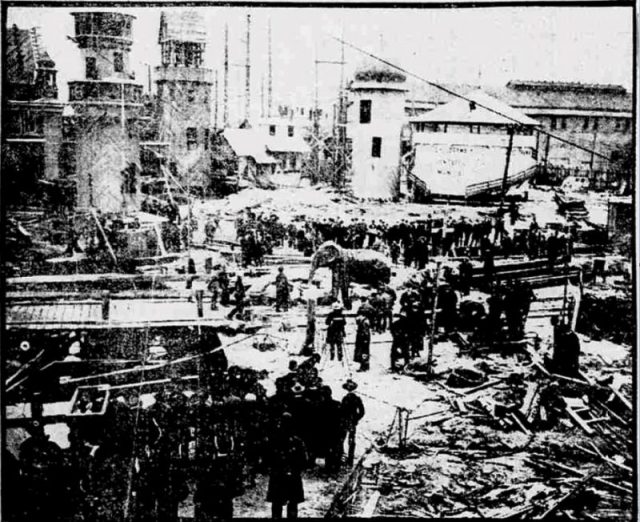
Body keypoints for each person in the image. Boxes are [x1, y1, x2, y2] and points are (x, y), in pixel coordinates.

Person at [19, 421, 64, 522]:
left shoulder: (53, 447)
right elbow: (25, 467)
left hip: (51, 488)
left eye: (40, 431)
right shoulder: (26, 448)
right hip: (35, 489)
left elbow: (60, 467)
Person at [266, 413, 307, 519]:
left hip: (277, 475)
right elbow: (303, 461)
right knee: (293, 503)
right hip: (293, 475)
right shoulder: (297, 441)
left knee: (276, 503)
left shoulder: (274, 440)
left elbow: (268, 457)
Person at [340, 380, 365, 467]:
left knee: (347, 440)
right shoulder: (351, 398)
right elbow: (361, 412)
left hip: (348, 421)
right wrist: (356, 419)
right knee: (346, 440)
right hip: (348, 421)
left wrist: (355, 419)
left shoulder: (351, 399)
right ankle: (347, 459)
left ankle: (348, 459)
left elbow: (361, 412)